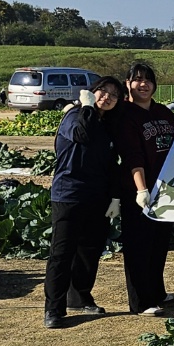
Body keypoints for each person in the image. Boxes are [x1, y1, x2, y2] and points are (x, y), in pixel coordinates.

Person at [43, 76, 123, 329]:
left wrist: (114, 196)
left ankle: (80, 297)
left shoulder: (107, 125)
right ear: (91, 92)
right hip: (69, 195)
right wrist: (86, 106)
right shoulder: (74, 116)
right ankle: (54, 309)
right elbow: (82, 134)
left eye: (113, 94)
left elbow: (111, 164)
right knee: (62, 253)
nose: (107, 97)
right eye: (102, 91)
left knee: (90, 251)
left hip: (97, 197)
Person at [112, 62, 174, 315]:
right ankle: (141, 302)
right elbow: (132, 156)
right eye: (137, 79)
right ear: (128, 84)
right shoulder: (125, 114)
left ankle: (157, 291)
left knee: (159, 243)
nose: (143, 84)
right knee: (138, 245)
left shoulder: (162, 112)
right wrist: (141, 189)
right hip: (139, 191)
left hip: (166, 189)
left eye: (148, 80)